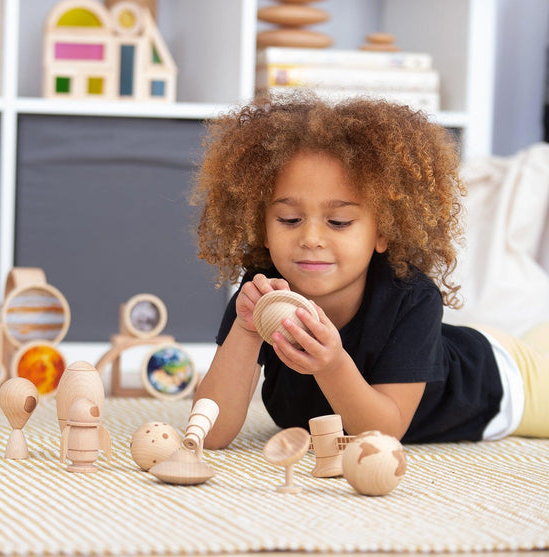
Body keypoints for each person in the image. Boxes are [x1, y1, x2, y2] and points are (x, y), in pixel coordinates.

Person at [190, 94, 549, 449]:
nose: (311, 238)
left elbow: (384, 433)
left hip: (510, 384)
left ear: (383, 232)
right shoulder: (261, 296)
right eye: (289, 219)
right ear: (263, 227)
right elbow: (210, 433)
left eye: (339, 222)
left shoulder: (411, 297)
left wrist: (332, 366)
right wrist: (246, 330)